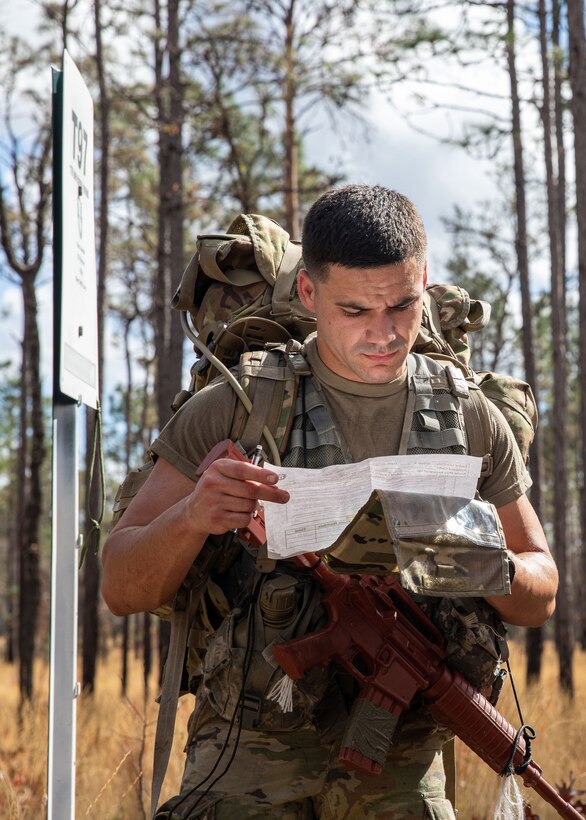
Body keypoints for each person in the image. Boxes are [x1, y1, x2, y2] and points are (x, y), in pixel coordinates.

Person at [101, 184, 558, 819]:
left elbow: (542, 588)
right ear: (310, 295)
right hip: (247, 752)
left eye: (402, 305)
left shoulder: (466, 416)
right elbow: (121, 585)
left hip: (402, 759)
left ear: (424, 283)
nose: (384, 334)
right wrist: (192, 516)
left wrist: (487, 564)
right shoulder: (241, 404)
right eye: (354, 311)